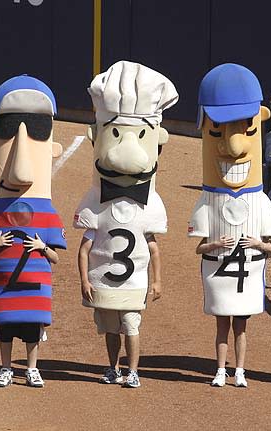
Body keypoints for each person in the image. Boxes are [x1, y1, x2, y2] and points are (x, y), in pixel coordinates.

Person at [74, 61, 178, 388]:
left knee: (132, 326)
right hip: (103, 280)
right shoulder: (95, 201)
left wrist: (157, 281)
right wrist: (83, 280)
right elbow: (84, 247)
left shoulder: (149, 204)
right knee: (109, 329)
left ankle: (133, 370)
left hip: (134, 282)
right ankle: (112, 367)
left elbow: (153, 248)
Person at [188, 64, 271, 388]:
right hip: (219, 275)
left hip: (247, 275)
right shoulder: (206, 203)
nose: (235, 145)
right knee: (221, 328)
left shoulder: (262, 203)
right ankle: (220, 370)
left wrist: (258, 245)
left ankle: (240, 370)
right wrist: (215, 245)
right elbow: (198, 246)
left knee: (241, 327)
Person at [0, 75, 66, 388]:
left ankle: (31, 368)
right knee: (5, 328)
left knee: (31, 329)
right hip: (4, 285)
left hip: (32, 286)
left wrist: (42, 246)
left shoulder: (48, 215)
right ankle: (5, 368)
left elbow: (55, 259)